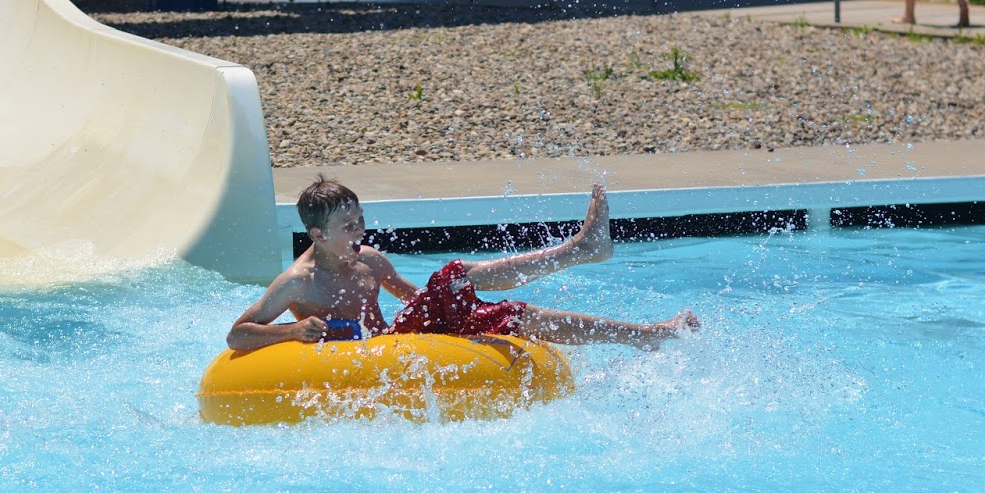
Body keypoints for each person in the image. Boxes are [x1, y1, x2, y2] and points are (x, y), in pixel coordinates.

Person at [227, 177, 700, 352]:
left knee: (513, 313)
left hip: (391, 344)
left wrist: (458, 307)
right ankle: (577, 250)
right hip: (347, 359)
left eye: (361, 220)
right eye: (348, 226)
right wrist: (291, 332)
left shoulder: (369, 260)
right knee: (453, 276)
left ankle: (648, 336)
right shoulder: (295, 283)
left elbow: (414, 300)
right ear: (317, 235)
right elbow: (238, 333)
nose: (360, 233)